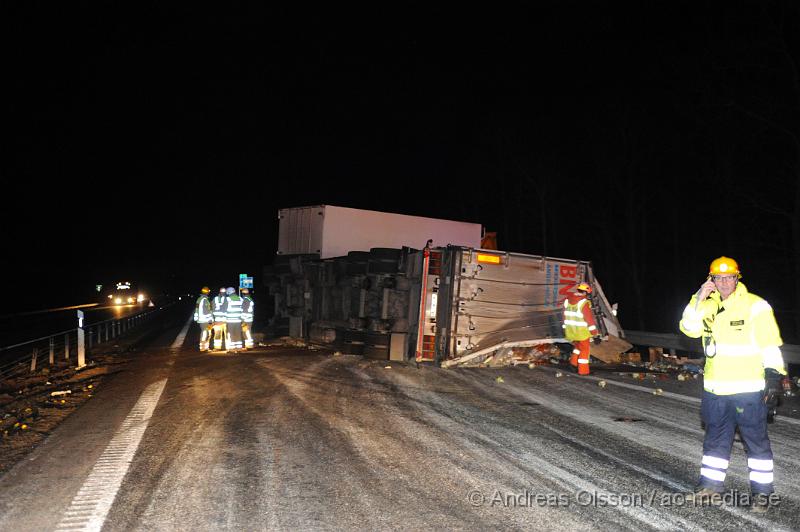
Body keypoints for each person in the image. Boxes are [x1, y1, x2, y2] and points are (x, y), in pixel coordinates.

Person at [679, 256, 786, 512]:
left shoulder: (756, 306)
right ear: (711, 280)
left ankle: (763, 495)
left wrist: (774, 376)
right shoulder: (706, 306)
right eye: (719, 278)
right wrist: (698, 298)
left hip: (748, 390)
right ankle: (710, 488)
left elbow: (769, 343)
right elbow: (687, 328)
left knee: (756, 442)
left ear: (737, 278)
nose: (724, 282)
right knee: (715, 441)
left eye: (729, 277)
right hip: (716, 389)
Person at [562, 282, 601, 375]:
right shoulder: (583, 303)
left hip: (571, 331)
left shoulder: (568, 300)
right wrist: (595, 334)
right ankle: (583, 371)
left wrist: (564, 328)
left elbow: (564, 316)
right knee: (584, 350)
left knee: (577, 348)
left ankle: (573, 364)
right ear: (585, 292)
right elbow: (589, 320)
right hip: (581, 332)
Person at [193, 286, 214, 351]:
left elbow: (197, 309)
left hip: (202, 319)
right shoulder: (204, 300)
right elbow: (206, 311)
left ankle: (205, 347)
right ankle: (203, 348)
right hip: (205, 320)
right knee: (205, 333)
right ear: (207, 292)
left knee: (205, 333)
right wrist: (210, 319)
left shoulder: (200, 299)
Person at [223, 287, 244, 353]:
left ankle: (232, 349)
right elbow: (243, 309)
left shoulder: (228, 299)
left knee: (231, 334)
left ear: (228, 292)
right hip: (238, 320)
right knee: (238, 334)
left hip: (230, 320)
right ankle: (239, 349)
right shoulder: (240, 299)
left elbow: (224, 310)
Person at [211, 287, 228, 352]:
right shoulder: (227, 299)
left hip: (217, 321)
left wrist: (212, 320)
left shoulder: (215, 299)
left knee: (217, 335)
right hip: (226, 321)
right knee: (227, 335)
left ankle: (217, 347)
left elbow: (211, 309)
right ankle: (228, 347)